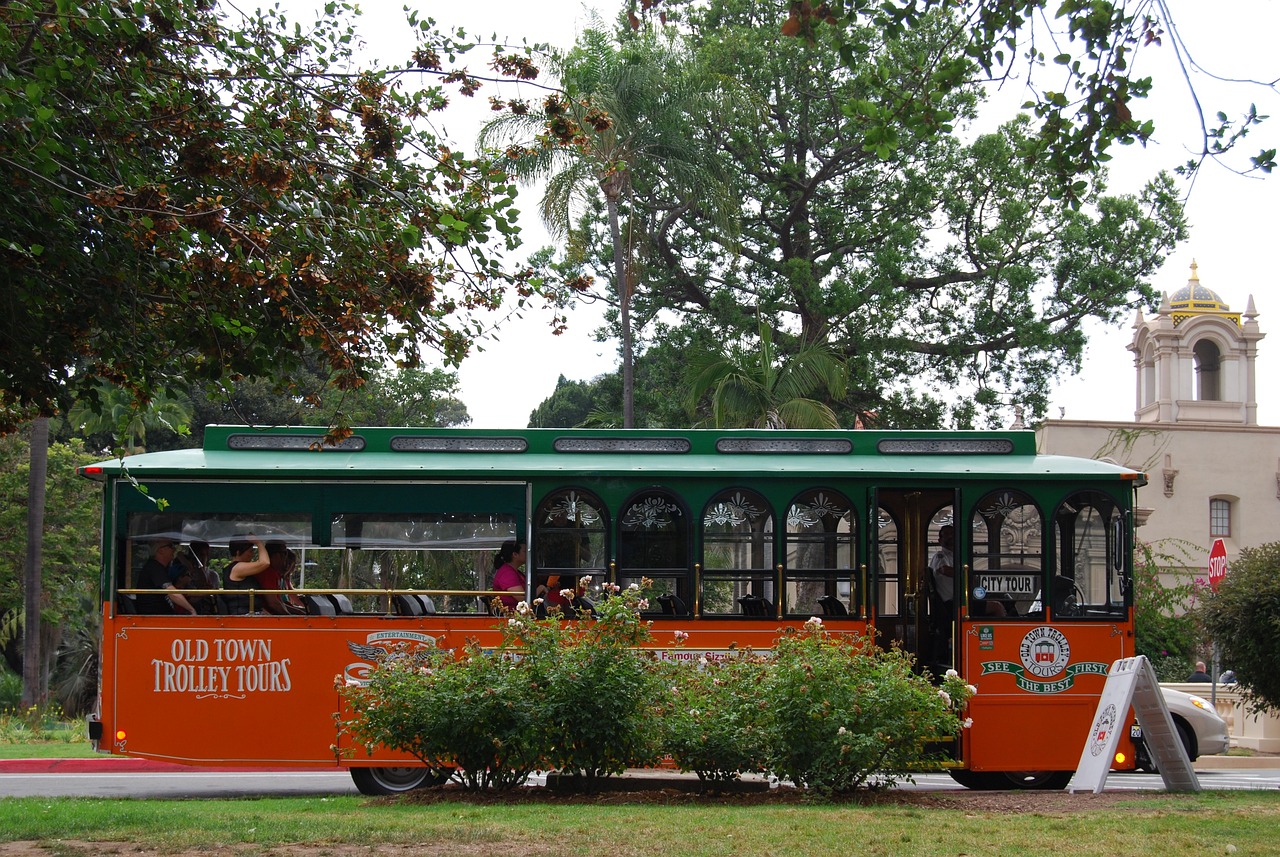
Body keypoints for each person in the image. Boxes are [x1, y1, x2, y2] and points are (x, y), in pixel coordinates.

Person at [136, 539, 197, 615]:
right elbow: (171, 592)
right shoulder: (154, 567)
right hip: (155, 617)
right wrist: (191, 610)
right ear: (160, 550)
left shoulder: (161, 568)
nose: (174, 549)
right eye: (171, 546)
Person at [221, 536, 271, 614]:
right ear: (238, 553)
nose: (252, 554)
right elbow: (265, 563)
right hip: (243, 614)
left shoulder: (238, 568)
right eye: (250, 551)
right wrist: (259, 543)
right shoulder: (237, 568)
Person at [927, 525, 956, 653]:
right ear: (940, 540)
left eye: (952, 534)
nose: (950, 537)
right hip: (950, 604)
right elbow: (945, 570)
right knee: (996, 607)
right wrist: (967, 574)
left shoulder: (957, 556)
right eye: (947, 534)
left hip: (957, 602)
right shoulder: (940, 556)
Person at [256, 542, 306, 615]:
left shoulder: (275, 574)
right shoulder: (268, 573)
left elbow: (280, 603)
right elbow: (273, 604)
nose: (285, 557)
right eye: (284, 553)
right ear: (276, 555)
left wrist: (299, 612)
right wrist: (290, 617)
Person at [172, 541, 218, 615]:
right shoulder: (178, 588)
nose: (201, 558)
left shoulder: (212, 575)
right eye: (197, 555)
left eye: (204, 555)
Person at [491, 540, 527, 611]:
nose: (528, 554)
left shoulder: (515, 571)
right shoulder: (507, 573)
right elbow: (522, 599)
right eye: (525, 551)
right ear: (515, 554)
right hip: (511, 614)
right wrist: (540, 589)